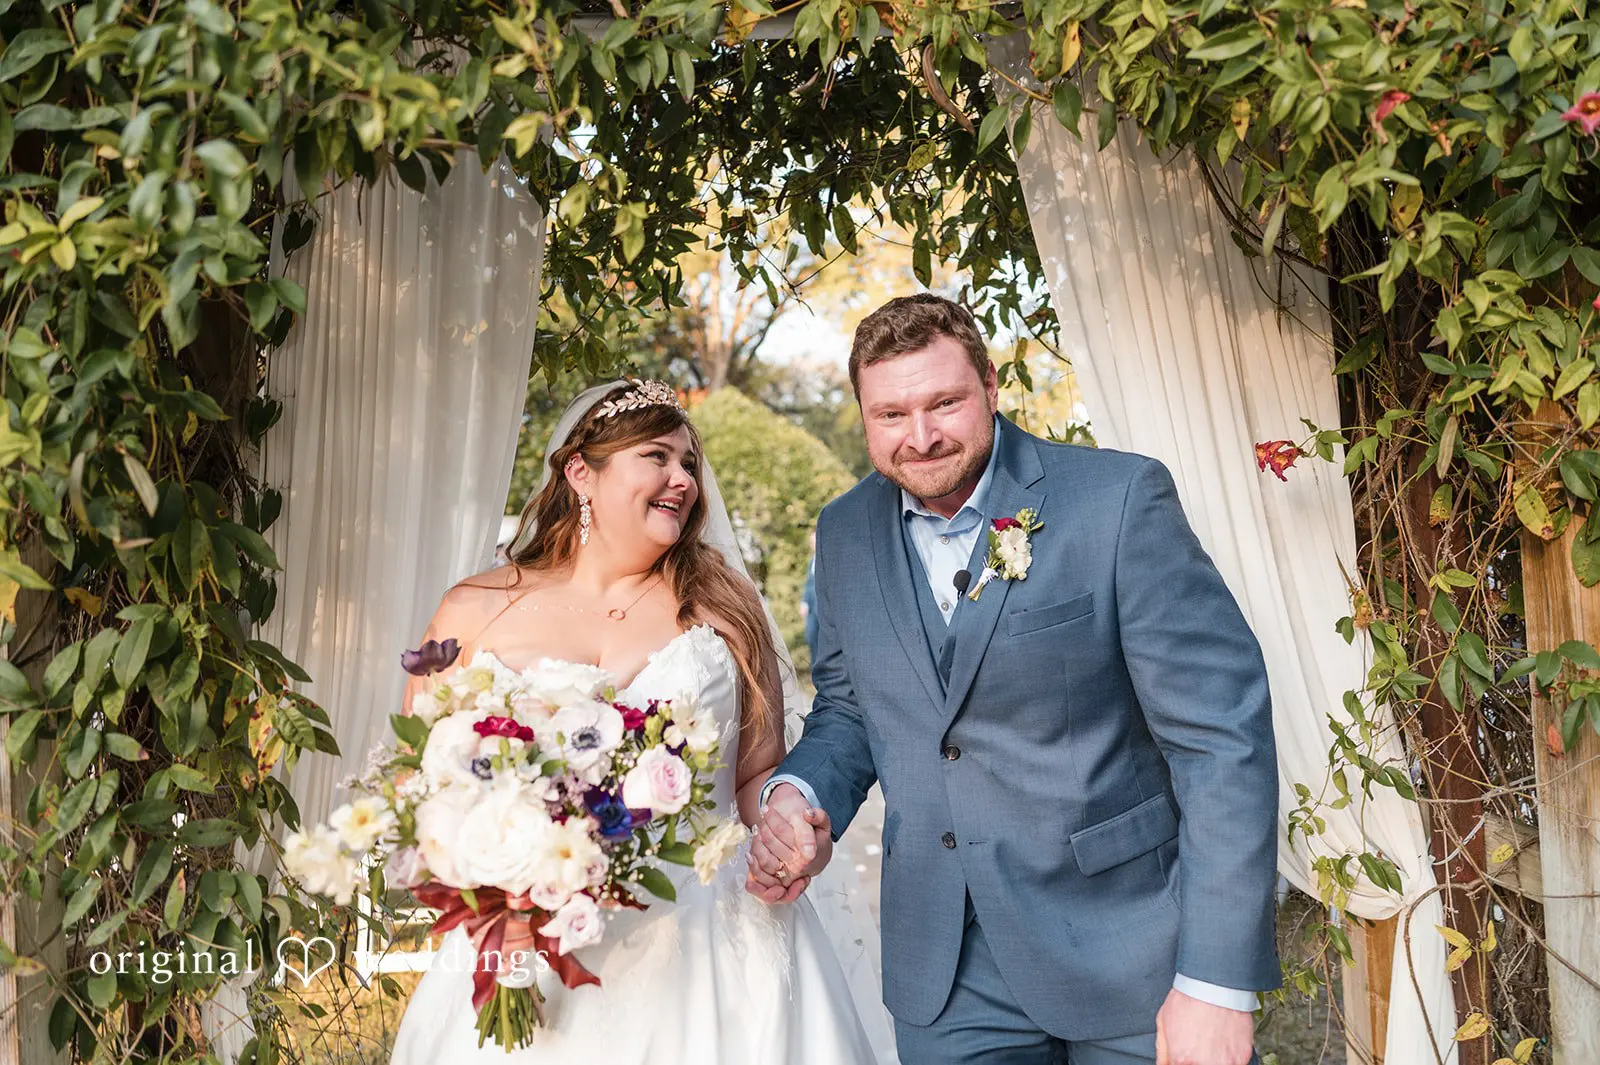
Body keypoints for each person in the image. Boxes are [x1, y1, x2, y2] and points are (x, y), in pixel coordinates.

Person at [748, 295, 1279, 1065]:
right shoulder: (843, 532)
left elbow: (1220, 740)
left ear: (991, 386)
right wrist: (797, 794)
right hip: (945, 973)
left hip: (1133, 954)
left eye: (944, 403)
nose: (920, 435)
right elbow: (851, 710)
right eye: (890, 413)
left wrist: (1216, 981)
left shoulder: (1118, 499)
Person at [389, 380, 896, 1064]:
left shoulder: (723, 604)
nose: (682, 479)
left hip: (711, 945)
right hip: (530, 948)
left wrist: (790, 834)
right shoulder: (476, 608)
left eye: (690, 462)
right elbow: (418, 780)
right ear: (580, 473)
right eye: (657, 455)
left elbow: (757, 774)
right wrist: (491, 891)